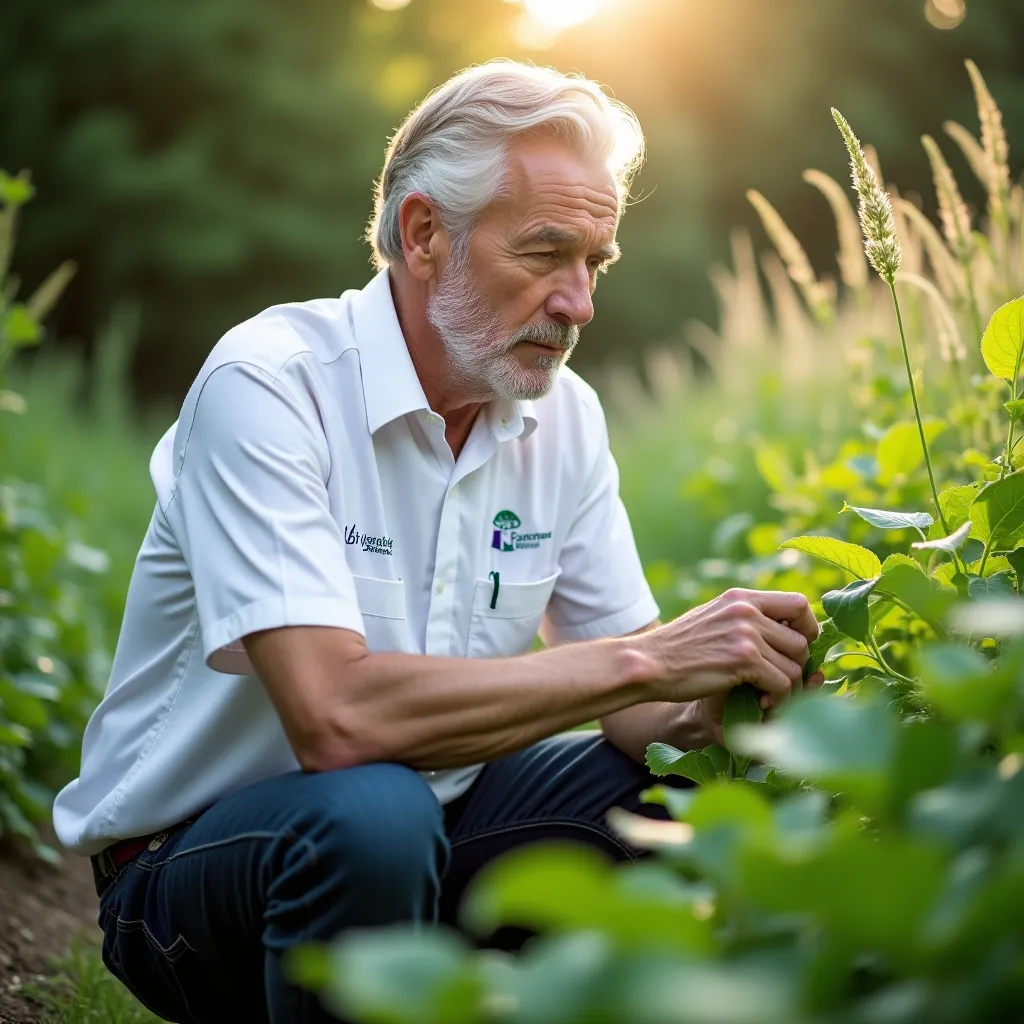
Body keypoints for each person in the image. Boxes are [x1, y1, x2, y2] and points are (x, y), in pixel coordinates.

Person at [52, 60, 822, 1023]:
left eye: (597, 263)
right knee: (376, 812)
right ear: (424, 235)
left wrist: (746, 702)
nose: (578, 302)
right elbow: (334, 717)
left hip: (436, 835)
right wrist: (647, 659)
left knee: (669, 801)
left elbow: (642, 720)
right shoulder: (270, 384)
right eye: (546, 254)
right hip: (190, 876)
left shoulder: (565, 420)